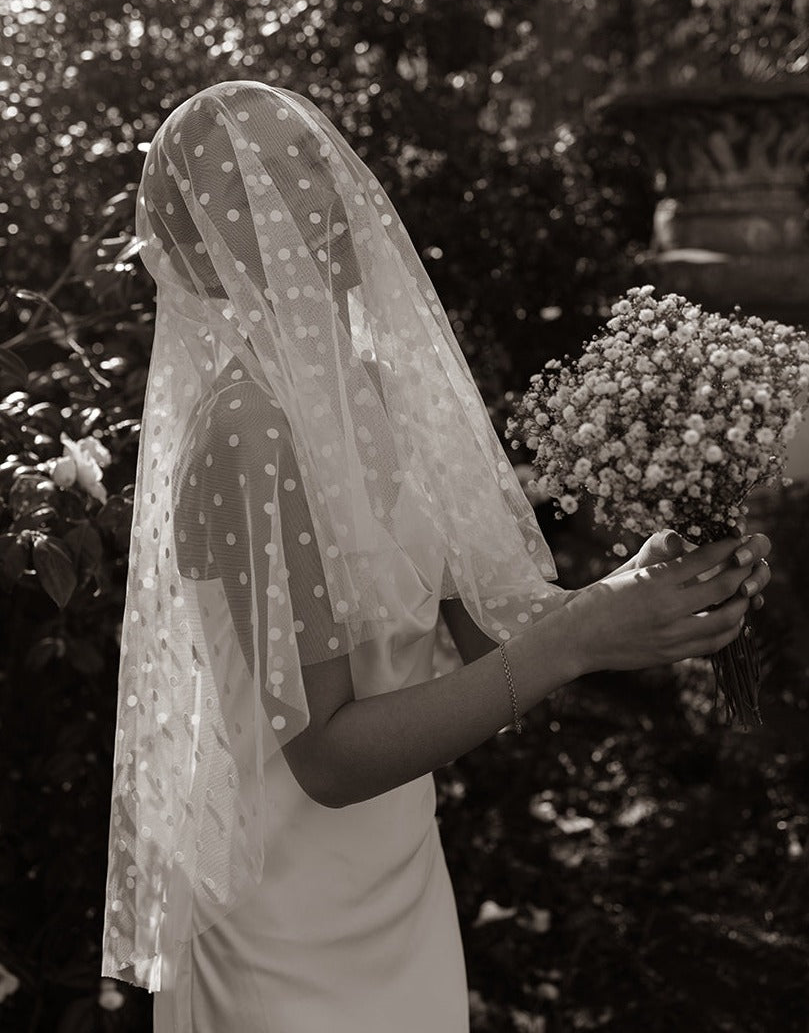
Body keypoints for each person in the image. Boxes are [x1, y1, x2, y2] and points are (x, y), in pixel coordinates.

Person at [101, 80, 771, 1033]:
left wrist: (653, 587)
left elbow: (493, 627)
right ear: (206, 251)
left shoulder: (377, 393)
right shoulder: (247, 434)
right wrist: (578, 639)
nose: (315, 206)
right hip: (288, 933)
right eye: (267, 190)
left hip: (402, 884)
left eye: (313, 168)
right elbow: (327, 757)